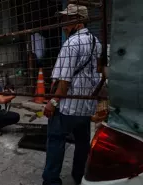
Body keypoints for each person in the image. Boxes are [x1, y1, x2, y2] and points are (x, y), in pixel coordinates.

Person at [42, 4, 102, 185]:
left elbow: (64, 81)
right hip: (85, 104)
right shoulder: (96, 42)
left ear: (79, 21)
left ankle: (51, 181)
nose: (63, 24)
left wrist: (52, 102)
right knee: (82, 142)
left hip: (68, 106)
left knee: (55, 141)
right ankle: (79, 175)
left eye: (68, 20)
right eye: (64, 19)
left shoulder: (71, 44)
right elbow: (100, 73)